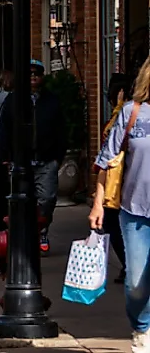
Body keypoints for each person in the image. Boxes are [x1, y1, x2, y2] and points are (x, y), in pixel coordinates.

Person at [91, 58, 150, 352]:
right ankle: (142, 329)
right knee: (136, 283)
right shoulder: (132, 113)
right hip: (135, 211)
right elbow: (106, 161)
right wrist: (98, 205)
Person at [0, 61, 68, 254]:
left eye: (37, 73)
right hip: (20, 160)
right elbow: (5, 128)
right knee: (20, 200)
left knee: (46, 199)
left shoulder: (52, 100)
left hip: (46, 159)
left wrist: (58, 155)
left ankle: (42, 230)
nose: (33, 77)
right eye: (29, 74)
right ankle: (23, 236)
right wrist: (5, 155)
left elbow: (61, 129)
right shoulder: (13, 100)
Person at [98, 74, 131, 285]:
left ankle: (130, 264)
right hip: (117, 181)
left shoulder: (127, 113)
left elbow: (110, 140)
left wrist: (119, 106)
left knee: (114, 222)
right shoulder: (124, 112)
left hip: (123, 181)